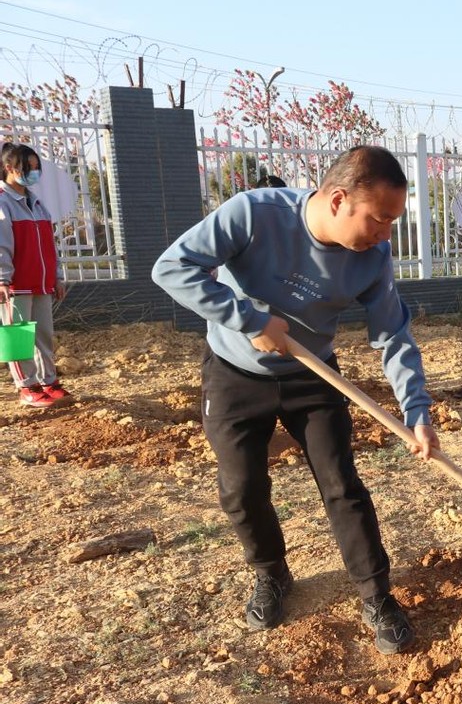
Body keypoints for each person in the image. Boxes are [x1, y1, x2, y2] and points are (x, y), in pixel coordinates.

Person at [153, 145, 438, 655]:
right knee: (242, 487)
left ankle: (376, 595)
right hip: (235, 373)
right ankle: (272, 574)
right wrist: (250, 319)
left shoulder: (372, 256)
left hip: (315, 378)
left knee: (342, 485)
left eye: (393, 220)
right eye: (379, 218)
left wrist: (416, 412)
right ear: (336, 200)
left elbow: (393, 335)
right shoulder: (254, 214)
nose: (386, 233)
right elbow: (173, 268)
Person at [0, 143, 70, 408]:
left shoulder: (38, 204)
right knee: (17, 335)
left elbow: (50, 246)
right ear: (9, 168)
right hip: (15, 285)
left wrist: (57, 276)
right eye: (27, 168)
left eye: (35, 167)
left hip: (41, 283)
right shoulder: (3, 203)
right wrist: (2, 278)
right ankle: (26, 387)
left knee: (43, 335)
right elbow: (1, 245)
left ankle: (48, 382)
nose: (33, 172)